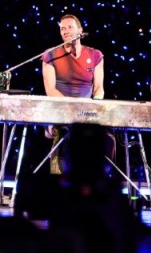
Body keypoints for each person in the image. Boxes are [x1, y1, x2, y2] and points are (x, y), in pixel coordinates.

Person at [41, 14, 111, 176]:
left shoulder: (95, 55)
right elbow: (50, 90)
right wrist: (71, 109)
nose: (65, 31)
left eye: (69, 27)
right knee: (63, 132)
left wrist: (93, 108)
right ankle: (59, 180)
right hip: (59, 111)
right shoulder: (50, 55)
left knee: (107, 137)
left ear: (80, 30)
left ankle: (99, 178)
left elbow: (99, 88)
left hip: (86, 112)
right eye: (62, 29)